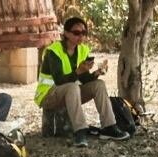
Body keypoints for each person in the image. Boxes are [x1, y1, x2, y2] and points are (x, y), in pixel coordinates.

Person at [37, 15, 125, 147]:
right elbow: (60, 81)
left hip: (70, 94)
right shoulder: (53, 51)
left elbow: (83, 80)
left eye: (84, 33)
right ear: (66, 33)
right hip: (48, 96)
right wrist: (78, 71)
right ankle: (80, 131)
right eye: (76, 33)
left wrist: (96, 73)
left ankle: (109, 126)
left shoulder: (83, 50)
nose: (81, 37)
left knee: (99, 85)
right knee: (72, 87)